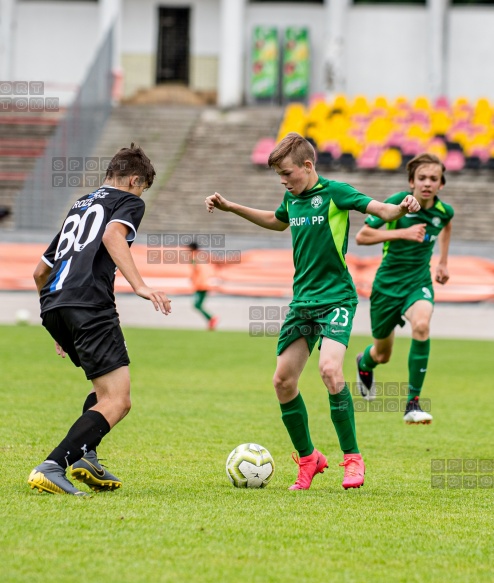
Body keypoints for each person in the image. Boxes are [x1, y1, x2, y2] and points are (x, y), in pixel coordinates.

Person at [205, 132, 420, 490]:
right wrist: (233, 207)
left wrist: (401, 208)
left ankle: (353, 460)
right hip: (302, 304)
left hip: (337, 299)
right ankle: (309, 460)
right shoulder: (292, 199)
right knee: (283, 381)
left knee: (330, 371)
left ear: (308, 166)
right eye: (279, 176)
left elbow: (380, 210)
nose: (283, 181)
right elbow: (277, 221)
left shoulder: (336, 193)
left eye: (287, 173)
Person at [28, 143, 171, 496]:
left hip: (55, 303)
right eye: (142, 189)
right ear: (135, 181)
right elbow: (112, 235)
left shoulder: (80, 205)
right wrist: (140, 285)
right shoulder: (128, 202)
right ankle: (52, 465)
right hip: (90, 303)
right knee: (119, 400)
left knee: (102, 390)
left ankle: (85, 457)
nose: (142, 197)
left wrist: (59, 326)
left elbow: (39, 272)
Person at [355, 153, 454, 424]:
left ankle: (413, 403)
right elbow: (362, 236)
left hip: (418, 283)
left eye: (433, 179)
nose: (427, 183)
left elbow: (446, 227)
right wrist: (401, 233)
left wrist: (443, 262)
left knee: (421, 326)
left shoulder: (444, 211)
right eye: (421, 178)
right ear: (411, 182)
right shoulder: (398, 203)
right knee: (382, 354)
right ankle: (365, 362)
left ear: (441, 184)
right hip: (387, 287)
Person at [188, 241, 219, 330]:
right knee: (198, 305)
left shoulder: (194, 257)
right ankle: (211, 320)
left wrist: (193, 278)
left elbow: (197, 269)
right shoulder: (202, 256)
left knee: (197, 305)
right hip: (204, 283)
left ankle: (211, 318)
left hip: (200, 284)